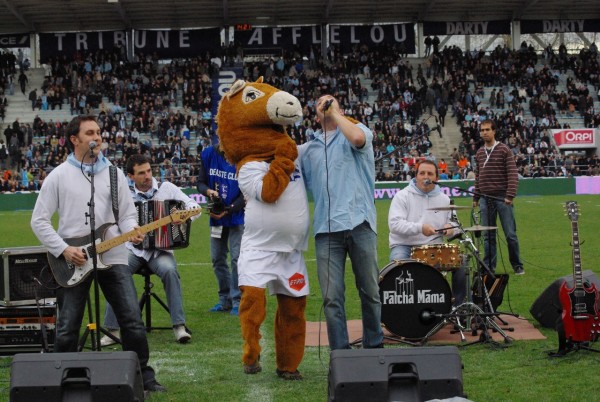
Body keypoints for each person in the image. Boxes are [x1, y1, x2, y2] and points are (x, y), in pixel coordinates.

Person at [30, 115, 165, 393]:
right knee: (68, 326)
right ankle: (61, 379)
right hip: (73, 260)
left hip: (113, 256)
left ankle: (144, 377)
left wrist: (133, 229)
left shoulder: (114, 174)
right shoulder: (58, 176)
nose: (97, 137)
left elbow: (127, 214)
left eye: (99, 132)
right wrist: (64, 249)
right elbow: (39, 221)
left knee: (132, 321)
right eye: (90, 132)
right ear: (74, 140)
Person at [299, 95, 384, 350]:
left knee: (369, 290)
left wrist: (335, 115)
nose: (326, 104)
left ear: (341, 109)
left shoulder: (359, 131)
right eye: (321, 103)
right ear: (315, 115)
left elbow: (357, 139)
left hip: (360, 223)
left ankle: (374, 346)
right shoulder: (309, 149)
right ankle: (340, 352)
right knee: (331, 297)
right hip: (326, 230)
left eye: (331, 101)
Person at [101, 153, 199, 346]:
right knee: (115, 273)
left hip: (160, 251)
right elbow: (112, 223)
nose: (147, 176)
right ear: (130, 176)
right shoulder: (124, 194)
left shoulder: (167, 188)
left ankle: (179, 327)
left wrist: (185, 217)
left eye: (148, 171)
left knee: (170, 271)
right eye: (141, 173)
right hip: (132, 250)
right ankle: (113, 330)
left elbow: (194, 206)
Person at [388, 160, 466, 307]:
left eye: (430, 173)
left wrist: (451, 228)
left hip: (433, 246)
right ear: (416, 176)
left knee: (462, 263)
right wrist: (420, 228)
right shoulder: (402, 196)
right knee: (397, 265)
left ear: (437, 178)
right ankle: (403, 310)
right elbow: (394, 225)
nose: (426, 176)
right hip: (404, 245)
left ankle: (458, 308)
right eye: (422, 173)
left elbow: (455, 224)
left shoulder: (445, 199)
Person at [197, 143, 245, 315]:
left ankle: (237, 300)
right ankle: (224, 300)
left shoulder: (242, 155)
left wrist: (229, 209)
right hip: (216, 217)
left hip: (236, 216)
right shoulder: (209, 154)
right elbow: (200, 183)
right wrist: (209, 191)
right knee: (217, 258)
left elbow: (244, 193)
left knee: (236, 258)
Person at [473, 119, 524, 275]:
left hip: (502, 198)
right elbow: (478, 176)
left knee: (510, 234)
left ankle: (517, 265)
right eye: (482, 130)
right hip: (484, 198)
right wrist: (476, 197)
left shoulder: (504, 149)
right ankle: (489, 267)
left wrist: (510, 195)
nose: (484, 132)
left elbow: (513, 174)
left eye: (487, 129)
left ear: (494, 131)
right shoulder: (479, 153)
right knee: (488, 235)